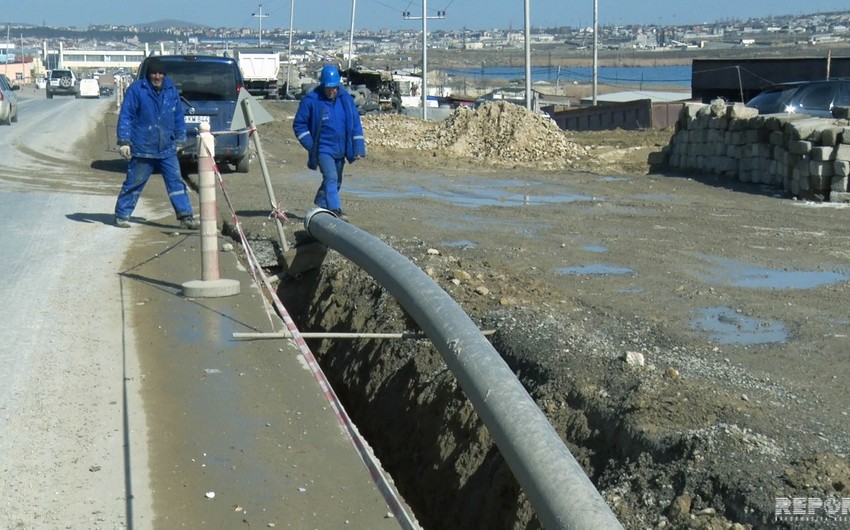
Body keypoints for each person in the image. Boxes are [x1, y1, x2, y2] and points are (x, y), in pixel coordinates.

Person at [113, 57, 198, 229]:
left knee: (176, 183)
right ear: (148, 74)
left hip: (167, 148)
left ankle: (186, 217)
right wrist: (124, 141)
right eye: (154, 73)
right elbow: (126, 116)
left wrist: (180, 138)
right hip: (143, 148)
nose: (157, 77)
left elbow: (177, 116)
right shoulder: (137, 90)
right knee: (134, 182)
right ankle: (122, 214)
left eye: (160, 73)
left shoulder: (171, 90)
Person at [293, 64, 366, 220]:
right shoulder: (311, 100)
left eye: (334, 87)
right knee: (331, 178)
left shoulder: (345, 99)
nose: (332, 91)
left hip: (341, 148)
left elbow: (355, 124)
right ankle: (335, 210)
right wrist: (312, 146)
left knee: (337, 180)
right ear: (323, 85)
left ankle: (321, 203)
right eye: (328, 88)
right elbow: (299, 125)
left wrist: (358, 148)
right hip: (323, 149)